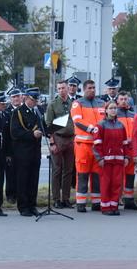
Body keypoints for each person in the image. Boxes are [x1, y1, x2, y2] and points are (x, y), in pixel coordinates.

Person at [10, 87, 47, 217]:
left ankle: (32, 205)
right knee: (23, 180)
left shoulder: (38, 111)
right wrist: (32, 134)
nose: (35, 102)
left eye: (36, 100)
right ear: (26, 98)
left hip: (35, 151)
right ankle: (23, 206)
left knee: (33, 179)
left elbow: (43, 126)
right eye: (33, 100)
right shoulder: (18, 112)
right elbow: (15, 132)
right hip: (23, 152)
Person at [70, 80, 104, 212]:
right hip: (83, 145)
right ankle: (81, 203)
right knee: (82, 174)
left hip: (98, 146)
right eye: (90, 88)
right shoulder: (77, 103)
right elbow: (77, 121)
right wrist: (92, 129)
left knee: (97, 175)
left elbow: (105, 120)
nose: (92, 90)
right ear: (84, 89)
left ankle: (96, 202)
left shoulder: (101, 103)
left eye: (94, 88)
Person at [92, 101, 130, 215]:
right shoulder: (100, 125)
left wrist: (126, 156)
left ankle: (114, 206)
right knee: (106, 184)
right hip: (106, 161)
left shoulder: (121, 125)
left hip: (118, 160)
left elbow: (125, 143)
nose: (113, 110)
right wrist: (100, 158)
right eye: (111, 108)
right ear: (106, 110)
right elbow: (97, 144)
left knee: (117, 184)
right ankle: (105, 207)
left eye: (115, 108)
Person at [45, 79, 75, 208]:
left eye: (63, 88)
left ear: (68, 88)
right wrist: (52, 143)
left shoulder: (74, 104)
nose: (61, 90)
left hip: (71, 139)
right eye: (59, 88)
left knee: (68, 170)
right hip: (58, 138)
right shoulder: (53, 105)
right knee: (57, 170)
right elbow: (49, 125)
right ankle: (56, 199)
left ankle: (66, 199)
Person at [115, 91, 137, 210]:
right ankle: (116, 199)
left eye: (125, 99)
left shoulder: (133, 114)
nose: (124, 101)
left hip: (131, 148)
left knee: (130, 175)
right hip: (119, 148)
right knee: (118, 175)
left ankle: (129, 200)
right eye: (121, 99)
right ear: (117, 101)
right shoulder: (114, 114)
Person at [4, 87, 24, 203]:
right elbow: (5, 134)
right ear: (10, 99)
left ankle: (20, 193)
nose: (16, 99)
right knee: (10, 173)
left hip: (23, 147)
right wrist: (7, 152)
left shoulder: (24, 110)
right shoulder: (6, 112)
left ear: (21, 97)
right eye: (13, 97)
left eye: (17, 96)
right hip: (11, 147)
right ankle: (10, 195)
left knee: (21, 173)